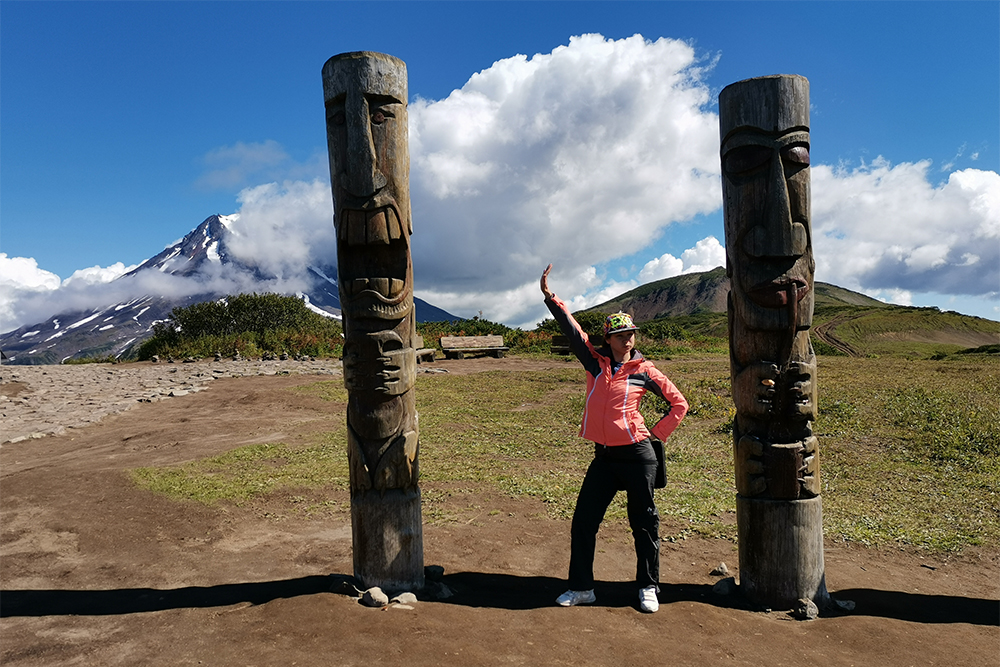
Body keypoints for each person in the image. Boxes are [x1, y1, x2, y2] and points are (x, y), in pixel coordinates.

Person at [540, 263, 688, 613]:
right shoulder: (595, 364)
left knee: (644, 523)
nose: (628, 340)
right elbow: (574, 332)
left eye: (631, 334)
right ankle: (581, 588)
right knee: (584, 522)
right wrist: (552, 299)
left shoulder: (645, 370)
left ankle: (648, 587)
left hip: (638, 455)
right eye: (621, 335)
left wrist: (654, 436)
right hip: (604, 457)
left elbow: (679, 404)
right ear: (608, 339)